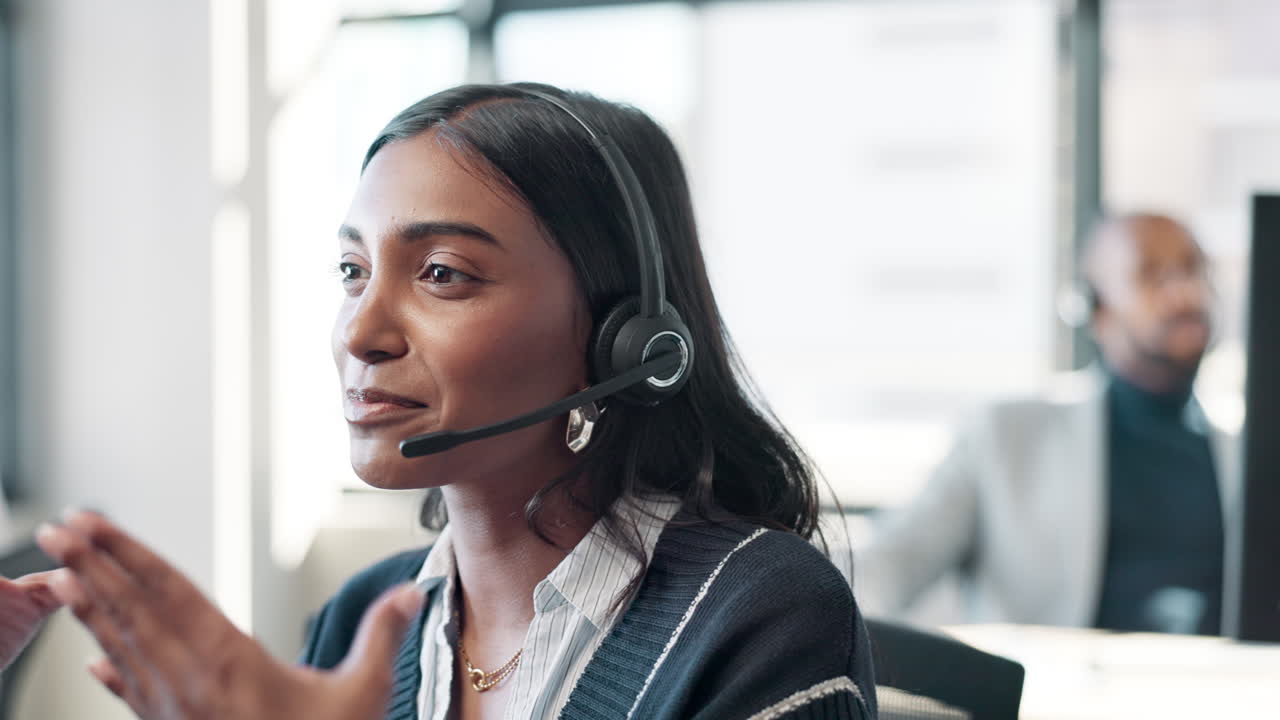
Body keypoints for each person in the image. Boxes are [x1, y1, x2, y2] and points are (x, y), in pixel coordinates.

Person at [3, 83, 877, 720]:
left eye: (441, 274)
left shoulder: (760, 617)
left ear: (625, 340)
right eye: (352, 271)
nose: (360, 331)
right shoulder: (362, 619)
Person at [852, 213, 1235, 636]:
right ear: (1098, 311)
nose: (1183, 292)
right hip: (1059, 697)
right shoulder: (1006, 435)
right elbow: (880, 570)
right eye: (1152, 275)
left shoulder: (1248, 451)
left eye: (1192, 269)